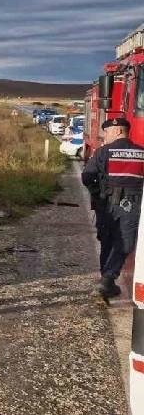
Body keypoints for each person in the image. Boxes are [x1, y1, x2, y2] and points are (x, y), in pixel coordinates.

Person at [82, 118, 144, 298]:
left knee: (107, 240)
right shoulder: (141, 153)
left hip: (106, 204)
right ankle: (107, 280)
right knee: (125, 241)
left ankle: (106, 279)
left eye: (107, 132)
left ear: (118, 131)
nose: (105, 136)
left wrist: (97, 193)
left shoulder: (102, 152)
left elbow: (87, 177)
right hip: (131, 205)